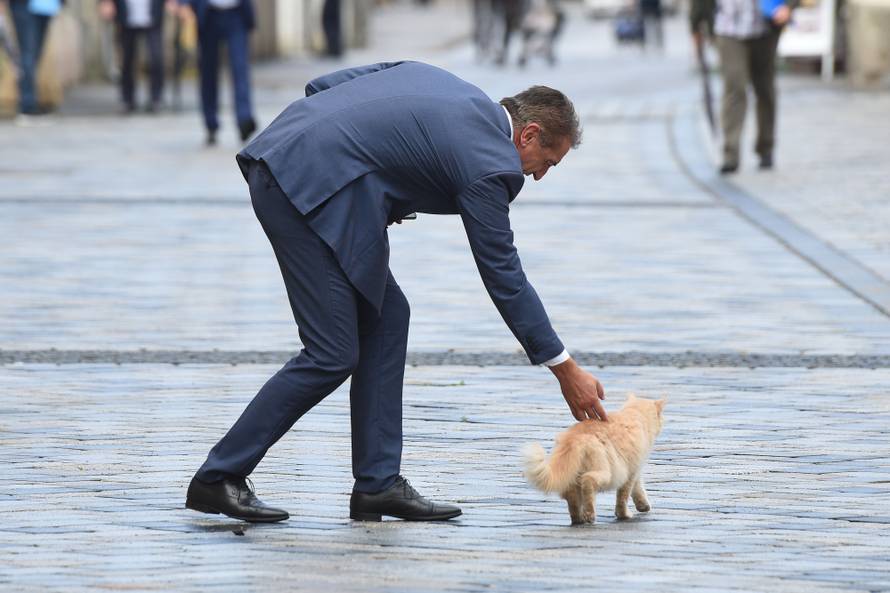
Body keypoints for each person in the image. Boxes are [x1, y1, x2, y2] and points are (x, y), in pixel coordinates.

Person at [184, 61, 609, 523]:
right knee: (331, 352)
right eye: (548, 162)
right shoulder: (491, 164)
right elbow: (502, 274)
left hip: (306, 170)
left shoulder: (455, 90)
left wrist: (369, 170)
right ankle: (217, 477)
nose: (540, 176)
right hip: (299, 188)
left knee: (388, 319)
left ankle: (378, 484)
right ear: (527, 135)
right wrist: (563, 368)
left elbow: (324, 86)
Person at [713, 0, 792, 173]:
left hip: (764, 28)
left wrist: (789, 6)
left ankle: (766, 146)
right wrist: (697, 19)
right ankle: (730, 154)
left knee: (765, 89)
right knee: (735, 88)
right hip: (728, 28)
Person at [177, 0, 256, 145]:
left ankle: (244, 119)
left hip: (236, 13)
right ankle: (210, 123)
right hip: (208, 14)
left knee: (240, 68)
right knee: (208, 72)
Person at [99, 0, 175, 114]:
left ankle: (156, 98)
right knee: (126, 60)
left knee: (156, 58)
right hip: (126, 16)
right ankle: (128, 99)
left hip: (153, 15)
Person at [5, 0, 63, 116]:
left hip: (46, 6)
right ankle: (27, 104)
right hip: (23, 5)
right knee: (28, 53)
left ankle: (30, 100)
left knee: (34, 55)